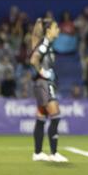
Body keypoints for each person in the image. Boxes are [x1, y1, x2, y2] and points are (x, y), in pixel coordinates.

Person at [30, 18, 67, 163]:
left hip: (41, 84)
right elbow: (34, 60)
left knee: (41, 117)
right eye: (56, 27)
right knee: (55, 116)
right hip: (44, 84)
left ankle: (38, 153)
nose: (58, 30)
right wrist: (43, 72)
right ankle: (54, 153)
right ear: (48, 31)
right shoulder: (45, 44)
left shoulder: (47, 44)